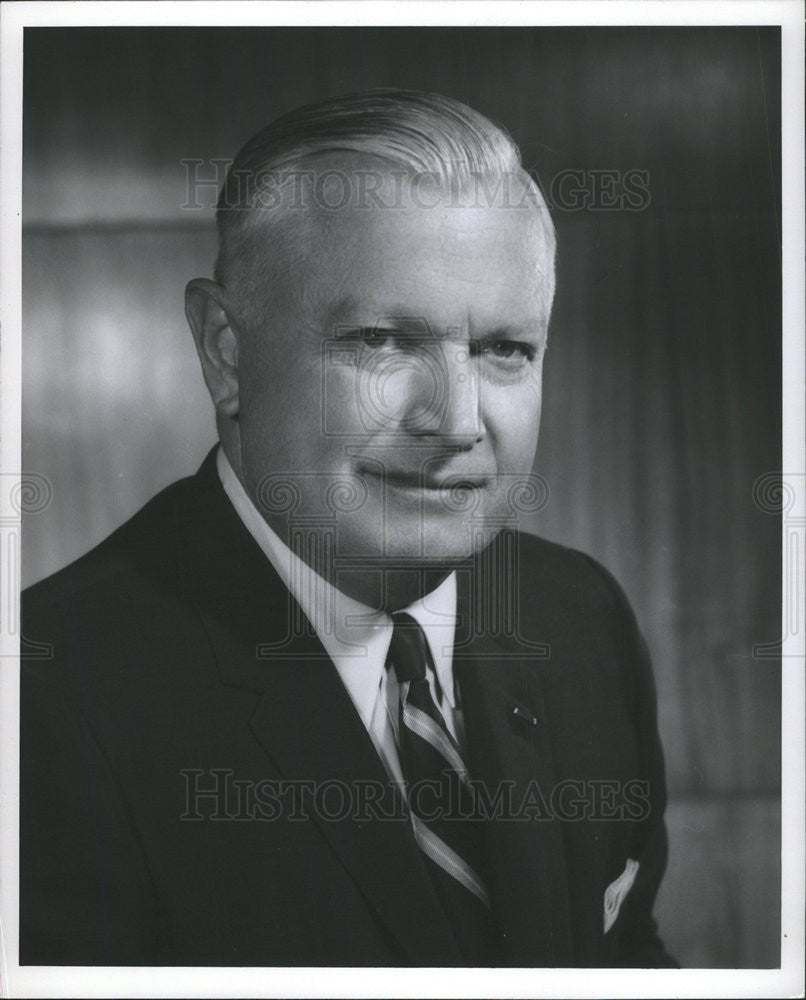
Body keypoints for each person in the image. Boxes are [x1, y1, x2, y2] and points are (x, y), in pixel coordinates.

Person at [20, 90, 676, 967]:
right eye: (380, 340)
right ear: (226, 350)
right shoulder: (46, 703)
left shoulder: (577, 613)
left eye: (505, 349)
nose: (456, 420)